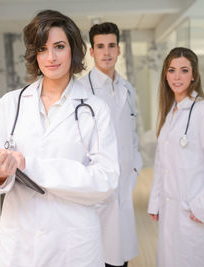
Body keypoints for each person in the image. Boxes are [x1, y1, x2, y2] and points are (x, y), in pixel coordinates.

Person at [0, 9, 119, 267]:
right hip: (21, 243)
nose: (51, 57)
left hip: (73, 243)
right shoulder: (11, 104)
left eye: (59, 46)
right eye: (42, 48)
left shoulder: (95, 109)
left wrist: (30, 166)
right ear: (34, 54)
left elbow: (106, 180)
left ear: (73, 50)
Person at [147, 47, 204, 267]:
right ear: (165, 75)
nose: (177, 77)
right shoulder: (171, 112)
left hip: (193, 213)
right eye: (172, 70)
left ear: (194, 75)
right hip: (172, 213)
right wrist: (155, 202)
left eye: (184, 70)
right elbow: (161, 164)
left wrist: (202, 207)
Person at [79, 22, 142, 267]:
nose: (106, 52)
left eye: (111, 46)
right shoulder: (81, 91)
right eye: (100, 46)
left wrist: (134, 170)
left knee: (120, 258)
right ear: (91, 51)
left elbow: (133, 137)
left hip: (123, 188)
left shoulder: (128, 89)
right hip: (95, 193)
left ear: (119, 50)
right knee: (95, 256)